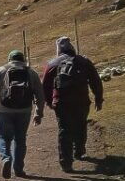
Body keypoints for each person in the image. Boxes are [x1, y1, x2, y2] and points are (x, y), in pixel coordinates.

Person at [41, 36, 104, 173]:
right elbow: (95, 81)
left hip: (62, 102)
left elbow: (45, 84)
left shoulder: (53, 63)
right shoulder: (84, 61)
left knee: (64, 129)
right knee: (81, 124)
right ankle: (79, 151)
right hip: (81, 101)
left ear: (58, 49)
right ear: (72, 48)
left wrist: (49, 101)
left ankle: (66, 162)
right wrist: (98, 99)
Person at [0, 50, 45, 179]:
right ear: (23, 60)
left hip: (4, 111)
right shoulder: (31, 72)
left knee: (3, 138)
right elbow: (40, 94)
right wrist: (38, 113)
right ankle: (18, 169)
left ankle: (6, 158)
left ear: (9, 59)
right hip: (25, 110)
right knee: (20, 139)